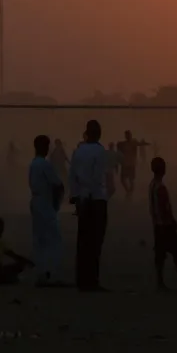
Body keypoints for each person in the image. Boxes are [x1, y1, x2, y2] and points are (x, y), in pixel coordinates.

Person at [69, 120, 108, 292]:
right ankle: (92, 279)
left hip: (83, 199)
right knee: (95, 241)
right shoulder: (100, 151)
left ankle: (82, 279)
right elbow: (99, 176)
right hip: (96, 199)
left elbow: (72, 177)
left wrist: (76, 197)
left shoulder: (78, 151)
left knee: (83, 241)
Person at [29, 135, 65, 286]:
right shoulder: (44, 164)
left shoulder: (34, 164)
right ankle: (53, 274)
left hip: (36, 201)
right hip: (44, 202)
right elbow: (58, 185)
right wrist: (56, 204)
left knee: (40, 239)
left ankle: (41, 274)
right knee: (54, 238)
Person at [149, 157, 177, 291]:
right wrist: (171, 221)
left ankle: (160, 282)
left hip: (157, 224)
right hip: (165, 225)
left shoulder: (152, 184)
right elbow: (165, 207)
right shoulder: (161, 187)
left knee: (160, 254)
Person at [118, 130, 147, 201]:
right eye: (127, 135)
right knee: (123, 180)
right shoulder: (123, 144)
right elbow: (119, 149)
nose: (128, 136)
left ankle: (130, 193)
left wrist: (145, 143)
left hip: (131, 164)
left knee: (131, 180)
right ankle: (128, 191)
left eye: (129, 135)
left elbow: (140, 144)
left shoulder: (133, 142)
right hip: (125, 164)